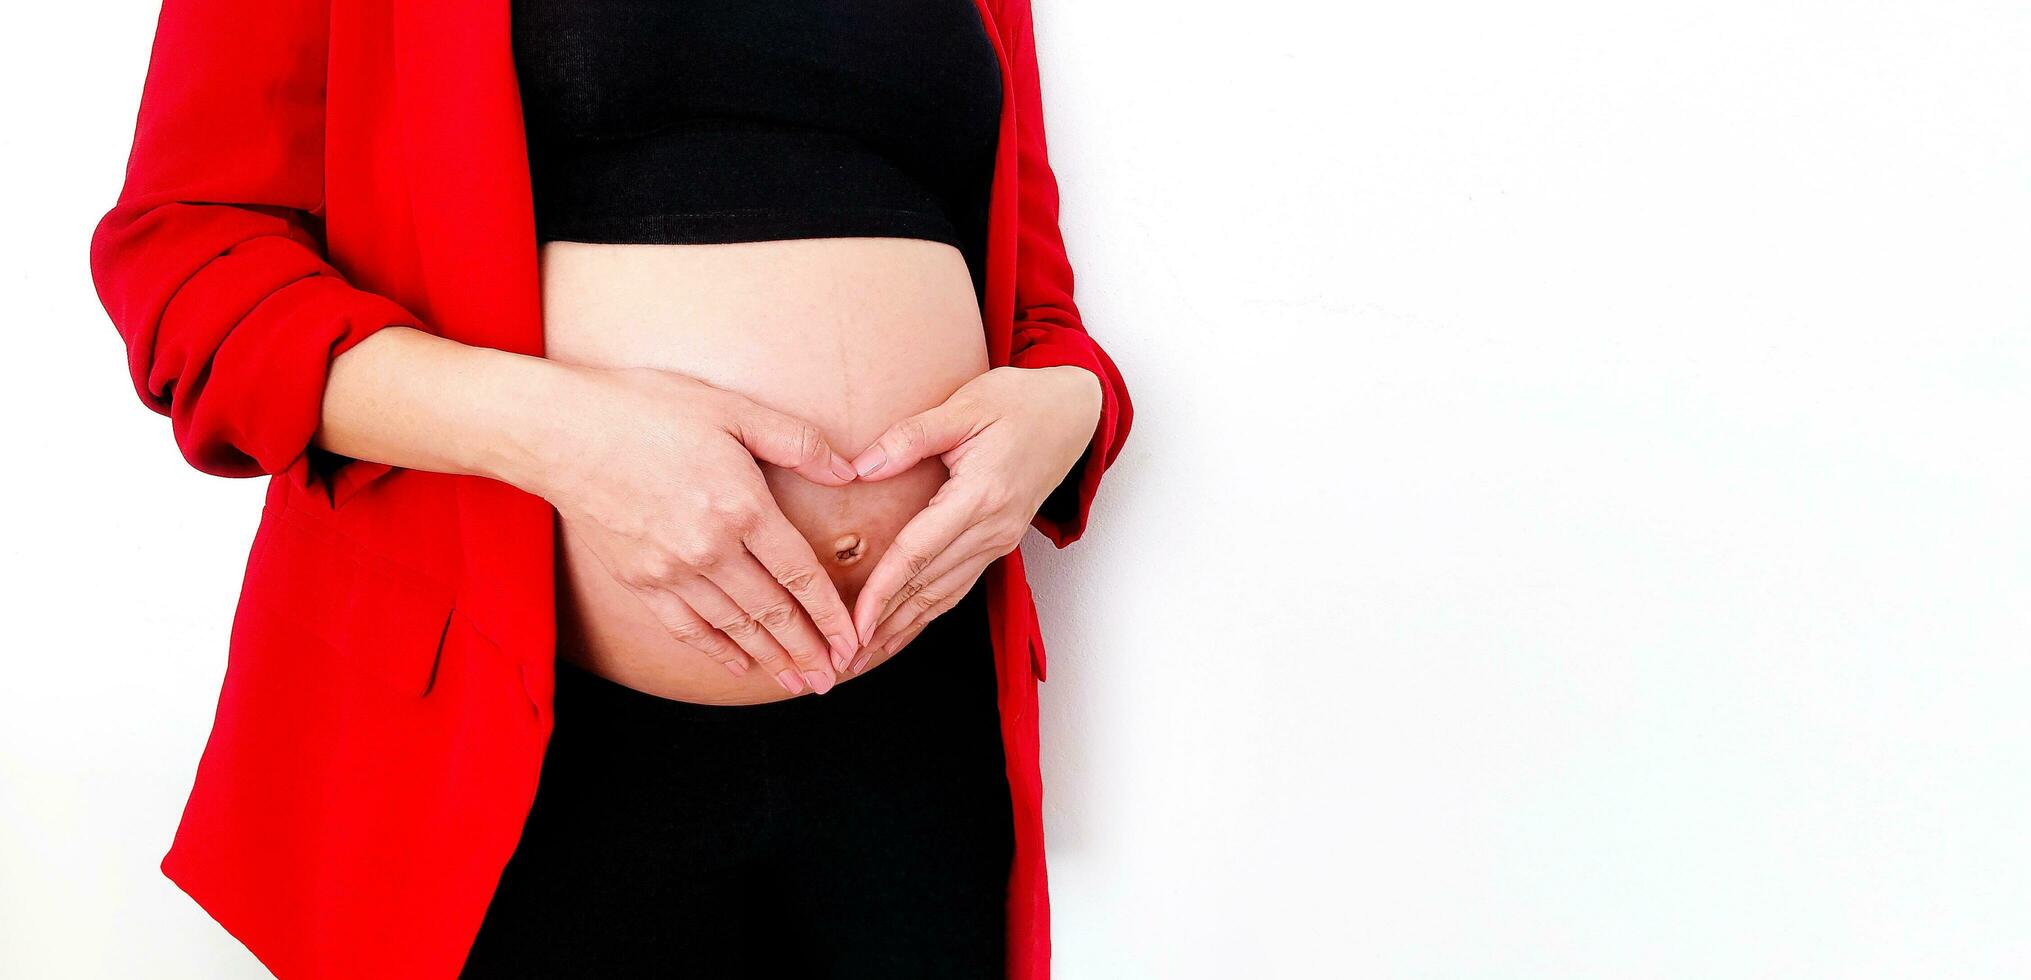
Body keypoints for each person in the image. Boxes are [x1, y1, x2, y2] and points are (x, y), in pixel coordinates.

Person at [88, 0, 1130, 976]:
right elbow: (189, 265)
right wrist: (564, 438)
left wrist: (1066, 411)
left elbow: (1039, 311)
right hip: (526, 748)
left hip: (912, 739)